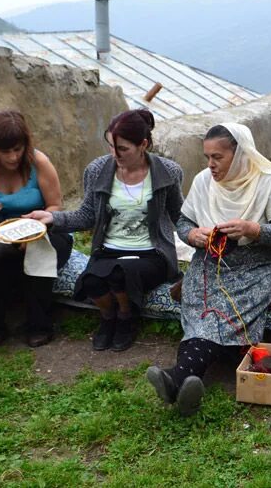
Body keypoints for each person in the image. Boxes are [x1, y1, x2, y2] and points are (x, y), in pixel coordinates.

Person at [145, 123, 271, 417]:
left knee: (223, 310)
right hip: (209, 262)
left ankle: (179, 376)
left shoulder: (269, 182)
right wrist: (193, 236)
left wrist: (252, 229)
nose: (211, 165)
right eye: (207, 157)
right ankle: (184, 380)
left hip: (256, 267)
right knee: (202, 307)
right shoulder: (204, 181)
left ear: (240, 153)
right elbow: (183, 223)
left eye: (218, 157)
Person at [27, 109, 183, 352]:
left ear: (143, 144)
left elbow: (179, 216)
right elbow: (86, 215)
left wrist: (195, 236)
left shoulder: (168, 172)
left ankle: (126, 317)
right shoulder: (98, 170)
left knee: (119, 275)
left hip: (151, 253)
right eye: (111, 146)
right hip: (108, 249)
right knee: (91, 280)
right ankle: (108, 317)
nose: (115, 154)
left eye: (122, 149)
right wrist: (52, 218)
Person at [0, 111, 73, 348]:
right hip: (3, 234)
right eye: (5, 151)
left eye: (17, 149)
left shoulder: (39, 163)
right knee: (2, 262)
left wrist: (34, 229)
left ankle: (39, 324)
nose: (13, 157)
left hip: (44, 231)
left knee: (36, 255)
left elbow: (56, 207)